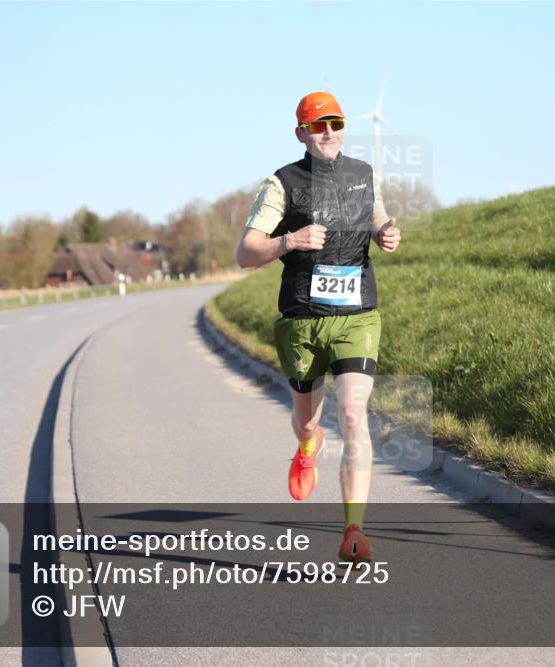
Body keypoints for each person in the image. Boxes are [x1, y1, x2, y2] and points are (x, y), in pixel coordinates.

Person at [235, 91, 401, 564]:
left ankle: (354, 530)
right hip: (303, 321)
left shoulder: (363, 175)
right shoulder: (281, 184)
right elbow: (246, 253)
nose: (329, 132)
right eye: (317, 125)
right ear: (301, 134)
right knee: (308, 419)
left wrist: (384, 231)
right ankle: (307, 444)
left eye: (336, 123)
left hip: (357, 315)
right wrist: (289, 240)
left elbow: (375, 214)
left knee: (352, 415)